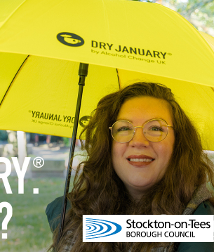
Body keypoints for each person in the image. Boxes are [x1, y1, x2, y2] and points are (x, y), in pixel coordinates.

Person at [46, 82, 214, 252]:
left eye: (155, 128)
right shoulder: (67, 212)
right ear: (107, 144)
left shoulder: (201, 222)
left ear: (178, 144)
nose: (139, 142)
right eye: (124, 128)